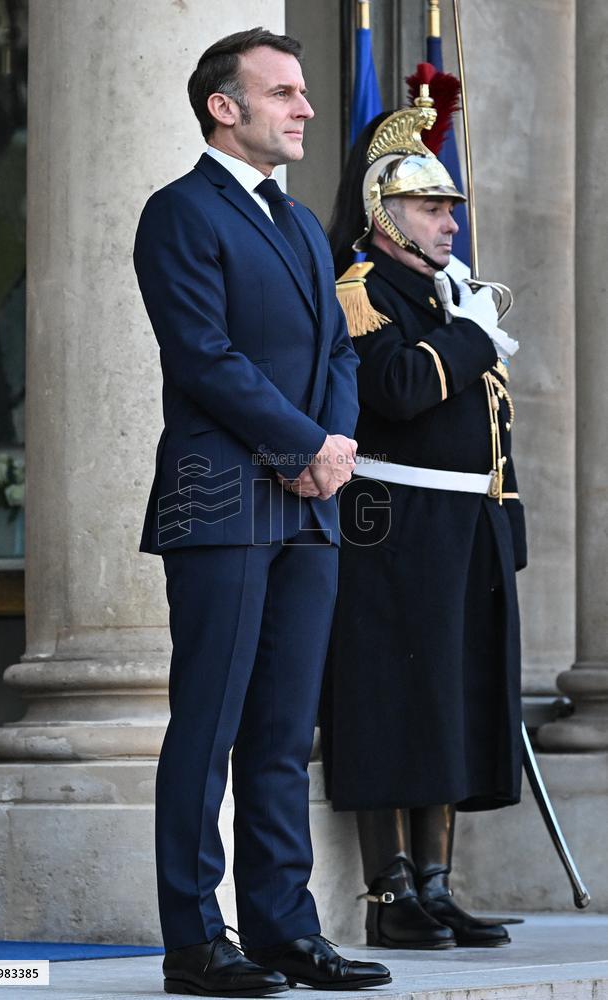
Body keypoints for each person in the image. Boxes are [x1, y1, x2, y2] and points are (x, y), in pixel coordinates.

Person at [133, 27, 391, 997]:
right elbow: (204, 357)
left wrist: (327, 449)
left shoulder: (292, 224)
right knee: (208, 726)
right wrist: (301, 449)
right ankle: (196, 940)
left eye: (303, 91)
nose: (306, 109)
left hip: (308, 507)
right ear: (223, 107)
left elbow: (337, 353)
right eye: (283, 92)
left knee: (283, 734)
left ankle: (284, 930)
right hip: (222, 502)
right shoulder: (179, 214)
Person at [321, 91, 527, 950]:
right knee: (390, 700)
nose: (448, 223)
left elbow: (491, 427)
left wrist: (505, 523)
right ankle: (390, 891)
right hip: (393, 522)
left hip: (459, 527)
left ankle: (437, 883)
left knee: (451, 698)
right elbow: (398, 390)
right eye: (429, 207)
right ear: (384, 212)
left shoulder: (447, 295)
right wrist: (474, 334)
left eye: (448, 208)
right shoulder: (362, 289)